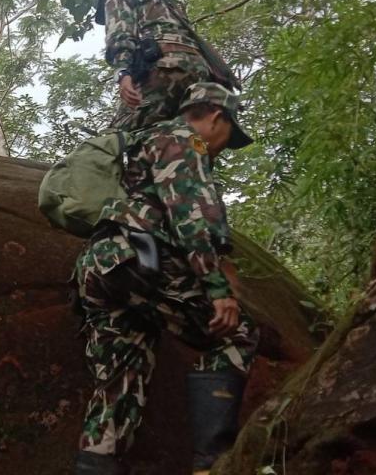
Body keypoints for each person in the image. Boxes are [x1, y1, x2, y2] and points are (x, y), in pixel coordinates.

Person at [72, 83, 259, 475]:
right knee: (234, 332)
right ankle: (213, 465)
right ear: (216, 116)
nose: (225, 146)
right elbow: (191, 217)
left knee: (122, 377)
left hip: (101, 267)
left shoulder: (143, 139)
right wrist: (218, 289)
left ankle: (96, 463)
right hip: (140, 262)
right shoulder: (185, 140)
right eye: (229, 136)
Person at [96, 0, 240, 131]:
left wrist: (122, 72)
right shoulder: (164, 1)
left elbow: (121, 35)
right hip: (200, 71)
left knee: (119, 136)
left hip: (165, 68)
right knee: (182, 134)